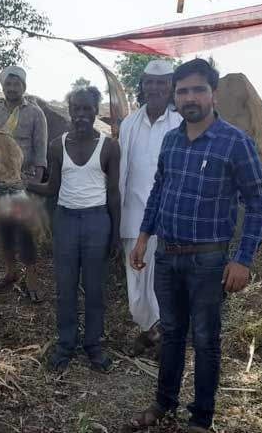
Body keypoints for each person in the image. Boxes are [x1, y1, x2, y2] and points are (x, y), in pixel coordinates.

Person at [128, 59, 262, 432]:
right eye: (183, 91)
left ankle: (201, 419)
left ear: (213, 94)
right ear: (176, 96)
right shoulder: (172, 140)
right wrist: (143, 237)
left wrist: (243, 260)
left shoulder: (235, 142)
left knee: (205, 340)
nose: (189, 98)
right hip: (167, 256)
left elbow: (258, 203)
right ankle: (164, 404)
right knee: (172, 333)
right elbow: (160, 190)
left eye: (197, 90)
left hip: (208, 261)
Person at [28, 86, 121, 372]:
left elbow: (114, 193)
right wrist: (25, 184)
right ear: (69, 112)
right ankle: (66, 344)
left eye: (87, 109)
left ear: (96, 111)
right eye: (76, 109)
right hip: (66, 221)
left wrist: (115, 234)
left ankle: (93, 345)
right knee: (65, 288)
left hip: (97, 222)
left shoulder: (109, 147)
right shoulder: (58, 146)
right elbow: (53, 188)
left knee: (94, 289)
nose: (81, 114)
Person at [118, 60, 183, 355]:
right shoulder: (129, 123)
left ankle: (162, 337)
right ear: (142, 85)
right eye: (150, 82)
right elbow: (120, 175)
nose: (155, 88)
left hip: (168, 220)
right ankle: (147, 329)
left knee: (163, 284)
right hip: (132, 217)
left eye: (162, 83)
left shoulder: (180, 124)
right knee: (135, 285)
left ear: (170, 87)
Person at [0, 66, 48, 302]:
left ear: (24, 87)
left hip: (24, 181)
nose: (12, 88)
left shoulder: (35, 114)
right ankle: (10, 271)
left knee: (25, 230)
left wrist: (36, 187)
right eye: (8, 84)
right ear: (3, 87)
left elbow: (40, 151)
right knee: (4, 228)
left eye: (16, 84)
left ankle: (31, 277)